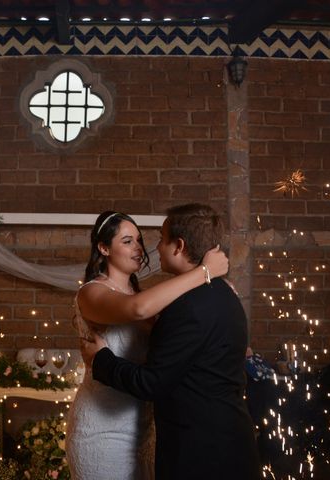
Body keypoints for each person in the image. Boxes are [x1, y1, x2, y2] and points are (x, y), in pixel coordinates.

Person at [80, 203, 261, 480]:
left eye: (158, 240)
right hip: (112, 429)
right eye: (128, 241)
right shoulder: (212, 291)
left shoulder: (186, 303)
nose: (148, 248)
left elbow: (153, 380)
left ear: (178, 245)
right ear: (104, 248)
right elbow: (139, 309)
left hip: (200, 450)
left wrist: (101, 360)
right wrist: (205, 273)